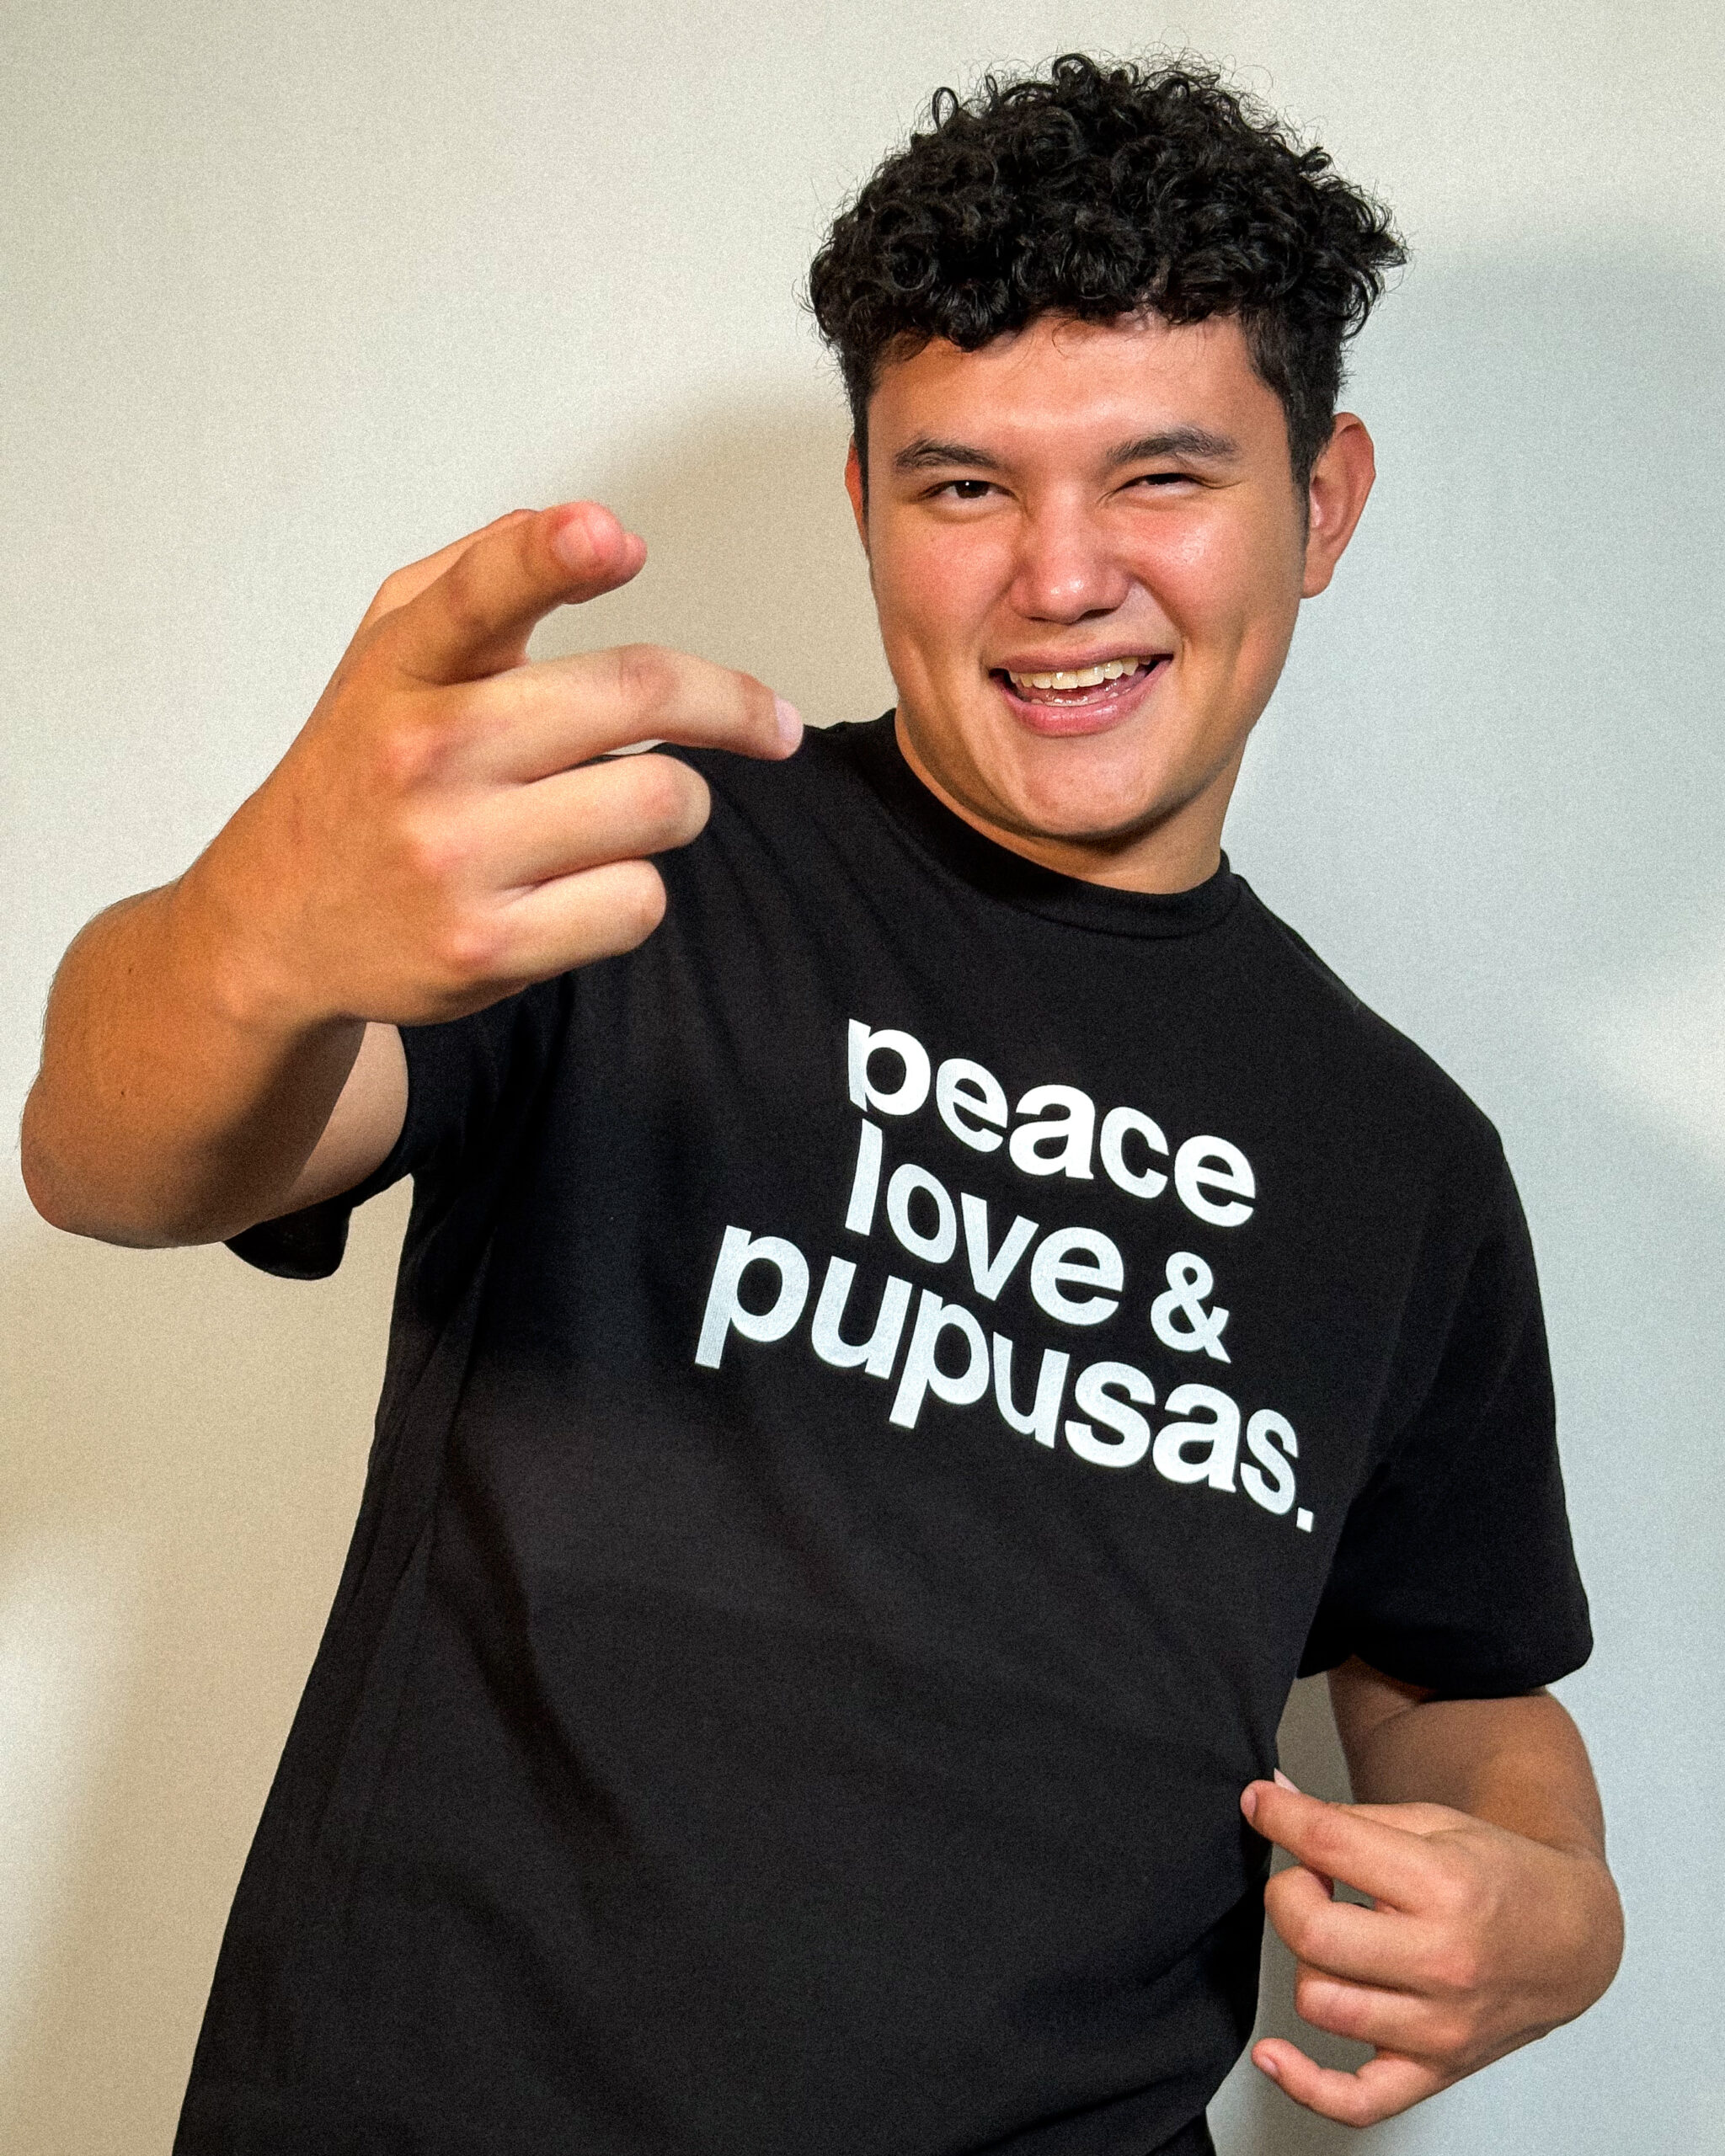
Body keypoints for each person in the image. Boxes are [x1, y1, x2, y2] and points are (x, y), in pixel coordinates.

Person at [21, 54, 1621, 2156]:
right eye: (965, 489)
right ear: (865, 501)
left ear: (1319, 502)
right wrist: (255, 934)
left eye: (1159, 475)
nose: (1063, 576)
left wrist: (1557, 1893)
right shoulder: (634, 864)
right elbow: (107, 1152)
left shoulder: (1402, 1159)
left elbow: (1456, 1668)